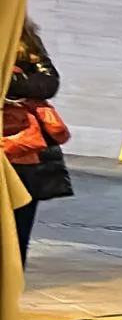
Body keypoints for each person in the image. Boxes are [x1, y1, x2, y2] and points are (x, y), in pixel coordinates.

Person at [3, 18, 67, 266]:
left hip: (22, 149)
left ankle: (8, 293)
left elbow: (49, 81)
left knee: (19, 227)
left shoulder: (24, 35)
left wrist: (8, 83)